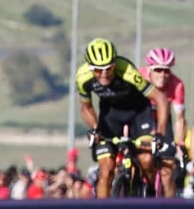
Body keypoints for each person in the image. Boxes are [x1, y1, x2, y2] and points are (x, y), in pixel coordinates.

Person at [76, 38, 170, 198]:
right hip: (111, 114)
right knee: (105, 171)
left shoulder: (127, 72)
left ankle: (151, 194)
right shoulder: (83, 78)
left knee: (146, 160)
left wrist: (160, 132)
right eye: (98, 70)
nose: (104, 74)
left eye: (109, 68)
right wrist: (95, 128)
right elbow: (86, 108)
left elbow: (161, 99)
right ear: (90, 68)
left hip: (138, 111)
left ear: (115, 64)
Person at [138, 47, 187, 197]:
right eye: (158, 70)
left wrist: (179, 143)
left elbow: (180, 119)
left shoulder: (177, 85)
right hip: (140, 117)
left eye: (167, 71)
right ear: (149, 70)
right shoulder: (139, 77)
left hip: (163, 121)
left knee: (167, 169)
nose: (163, 75)